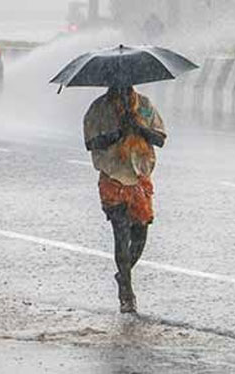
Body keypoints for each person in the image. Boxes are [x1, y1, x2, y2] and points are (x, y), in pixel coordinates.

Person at [83, 85, 166, 313]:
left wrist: (139, 128)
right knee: (121, 234)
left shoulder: (145, 106)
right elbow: (90, 142)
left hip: (139, 178)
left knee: (140, 234)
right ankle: (127, 293)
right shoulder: (99, 109)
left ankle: (123, 274)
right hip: (112, 178)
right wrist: (117, 134)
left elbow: (160, 138)